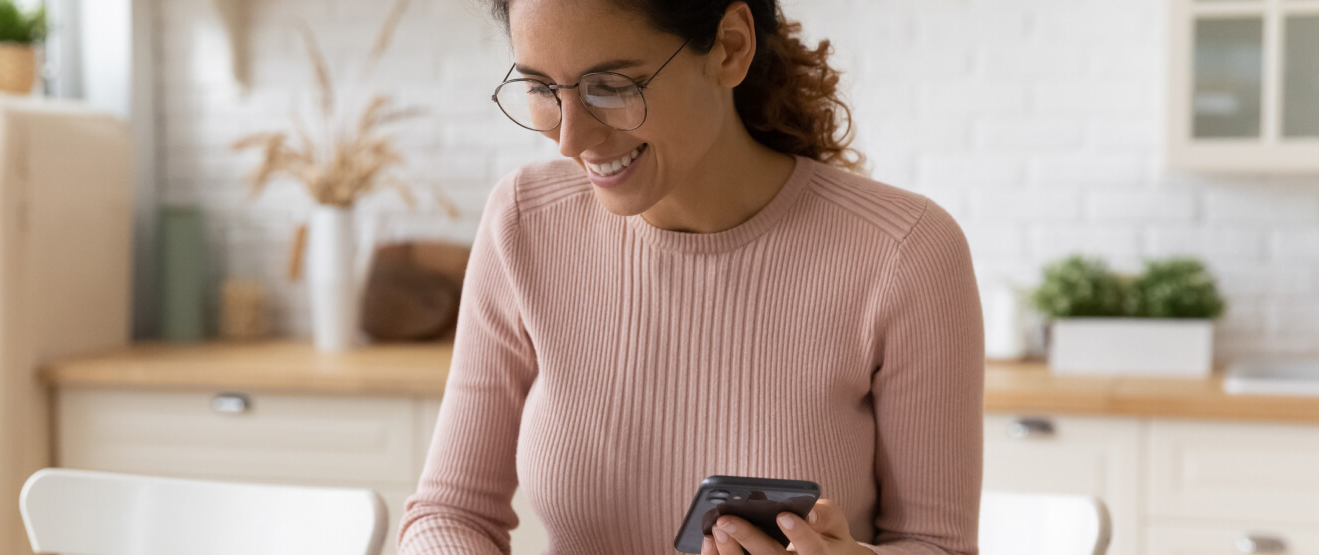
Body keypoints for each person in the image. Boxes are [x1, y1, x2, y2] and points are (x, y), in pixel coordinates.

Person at [398, 0, 984, 553]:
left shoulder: (905, 252)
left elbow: (937, 543)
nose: (570, 139)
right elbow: (451, 514)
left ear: (730, 47)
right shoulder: (526, 221)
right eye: (541, 88)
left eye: (612, 86)